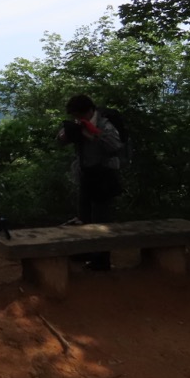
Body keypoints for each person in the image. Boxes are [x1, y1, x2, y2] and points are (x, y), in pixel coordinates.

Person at [57, 94, 123, 271]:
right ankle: (85, 251)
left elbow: (115, 146)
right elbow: (61, 141)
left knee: (101, 220)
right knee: (84, 216)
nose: (77, 119)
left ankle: (101, 260)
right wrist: (68, 134)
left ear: (89, 111)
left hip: (104, 177)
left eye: (79, 115)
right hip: (86, 175)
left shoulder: (105, 124)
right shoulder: (79, 122)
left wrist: (92, 133)